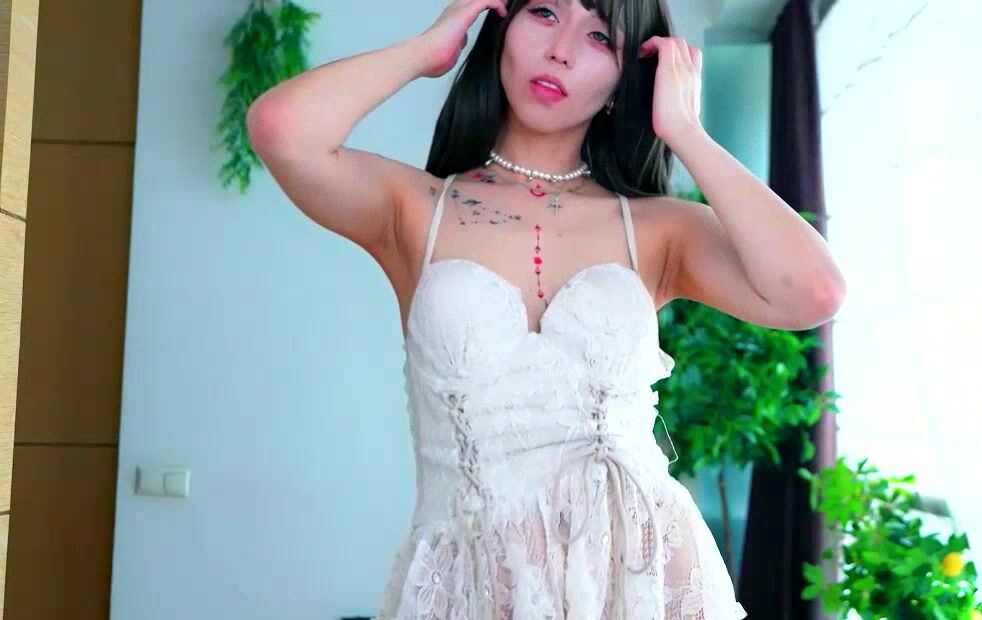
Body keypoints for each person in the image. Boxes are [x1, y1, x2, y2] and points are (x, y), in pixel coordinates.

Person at [247, 0, 844, 617]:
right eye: (544, 13)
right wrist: (426, 51)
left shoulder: (658, 229)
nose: (561, 50)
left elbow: (813, 291)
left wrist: (687, 132)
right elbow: (280, 130)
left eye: (599, 37)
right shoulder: (414, 207)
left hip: (641, 582)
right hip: (472, 589)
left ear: (625, 77)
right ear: (501, 29)